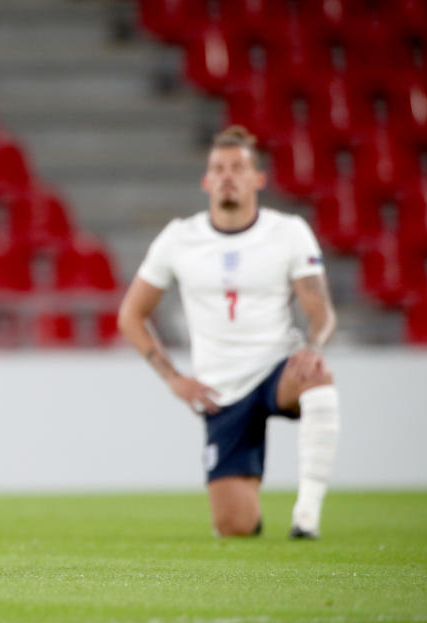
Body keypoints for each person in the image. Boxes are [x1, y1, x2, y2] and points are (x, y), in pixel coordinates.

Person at [118, 126, 340, 539]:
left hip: (276, 368)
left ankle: (306, 515)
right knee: (234, 527)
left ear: (258, 178)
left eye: (238, 167)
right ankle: (249, 511)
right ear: (206, 181)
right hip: (221, 392)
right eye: (218, 168)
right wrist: (173, 378)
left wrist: (313, 346)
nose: (227, 176)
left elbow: (321, 311)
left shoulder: (288, 232)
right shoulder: (179, 239)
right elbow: (132, 314)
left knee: (317, 377)